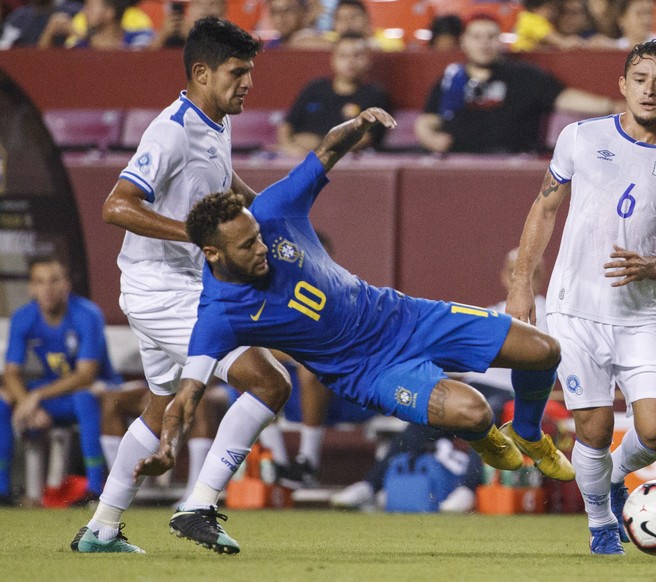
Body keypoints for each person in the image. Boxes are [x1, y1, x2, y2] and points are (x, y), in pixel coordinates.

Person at [134, 108, 576, 551]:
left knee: (544, 350)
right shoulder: (218, 315)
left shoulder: (271, 211)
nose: (262, 245)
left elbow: (326, 149)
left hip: (405, 316)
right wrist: (167, 445)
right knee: (474, 412)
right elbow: (187, 395)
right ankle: (488, 440)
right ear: (212, 254)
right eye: (248, 245)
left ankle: (529, 432)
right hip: (368, 372)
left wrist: (359, 126)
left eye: (258, 235)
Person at [70, 17, 293, 555]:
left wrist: (272, 217)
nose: (248, 83)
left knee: (158, 407)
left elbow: (226, 185)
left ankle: (100, 529)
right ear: (201, 72)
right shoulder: (170, 129)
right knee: (269, 383)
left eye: (250, 73)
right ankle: (200, 504)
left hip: (183, 284)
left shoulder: (216, 121)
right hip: (161, 288)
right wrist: (198, 236)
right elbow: (116, 205)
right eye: (238, 72)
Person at [506, 39, 656, 554]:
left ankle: (615, 475)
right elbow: (544, 209)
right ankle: (600, 525)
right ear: (622, 84)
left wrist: (653, 264)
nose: (649, 90)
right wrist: (522, 283)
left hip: (638, 318)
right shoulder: (580, 136)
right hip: (574, 312)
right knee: (592, 429)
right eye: (640, 79)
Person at [331, 247, 549, 510]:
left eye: (529, 273)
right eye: (513, 273)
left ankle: (468, 489)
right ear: (504, 276)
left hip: (512, 394)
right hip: (473, 386)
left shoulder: (549, 314)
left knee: (487, 415)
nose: (520, 279)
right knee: (424, 414)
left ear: (540, 275)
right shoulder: (490, 312)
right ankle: (371, 484)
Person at [1, 256, 120, 506]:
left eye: (54, 280)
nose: (47, 288)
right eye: (39, 282)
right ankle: (2, 489)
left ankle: (95, 489)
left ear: (67, 284)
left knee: (84, 396)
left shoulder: (87, 314)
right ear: (31, 288)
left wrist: (36, 397)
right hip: (54, 395)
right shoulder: (24, 317)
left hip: (98, 390)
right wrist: (26, 403)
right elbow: (11, 372)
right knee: (3, 398)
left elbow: (86, 375)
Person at [414, 14, 617, 155]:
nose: (484, 43)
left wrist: (613, 106)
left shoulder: (525, 75)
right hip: (457, 163)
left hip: (511, 163)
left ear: (501, 41)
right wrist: (427, 136)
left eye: (491, 37)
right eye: (476, 37)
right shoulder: (450, 79)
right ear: (464, 41)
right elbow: (429, 120)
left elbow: (566, 98)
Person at [276, 32, 390, 157]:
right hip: (296, 157)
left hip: (344, 160)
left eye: (357, 55)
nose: (350, 61)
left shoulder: (375, 94)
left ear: (367, 60)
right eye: (343, 56)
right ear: (333, 59)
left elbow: (366, 138)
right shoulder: (314, 88)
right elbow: (286, 125)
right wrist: (288, 148)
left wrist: (319, 146)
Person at [38, 0, 153, 49]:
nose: (84, 12)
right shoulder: (80, 47)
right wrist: (48, 33)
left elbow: (133, 60)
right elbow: (43, 68)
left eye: (90, 7)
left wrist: (78, 34)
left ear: (109, 13)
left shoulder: (140, 37)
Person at [511, 0, 586, 52]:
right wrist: (575, 42)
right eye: (549, 8)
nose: (552, 13)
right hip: (524, 59)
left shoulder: (537, 20)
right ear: (535, 8)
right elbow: (559, 42)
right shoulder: (531, 20)